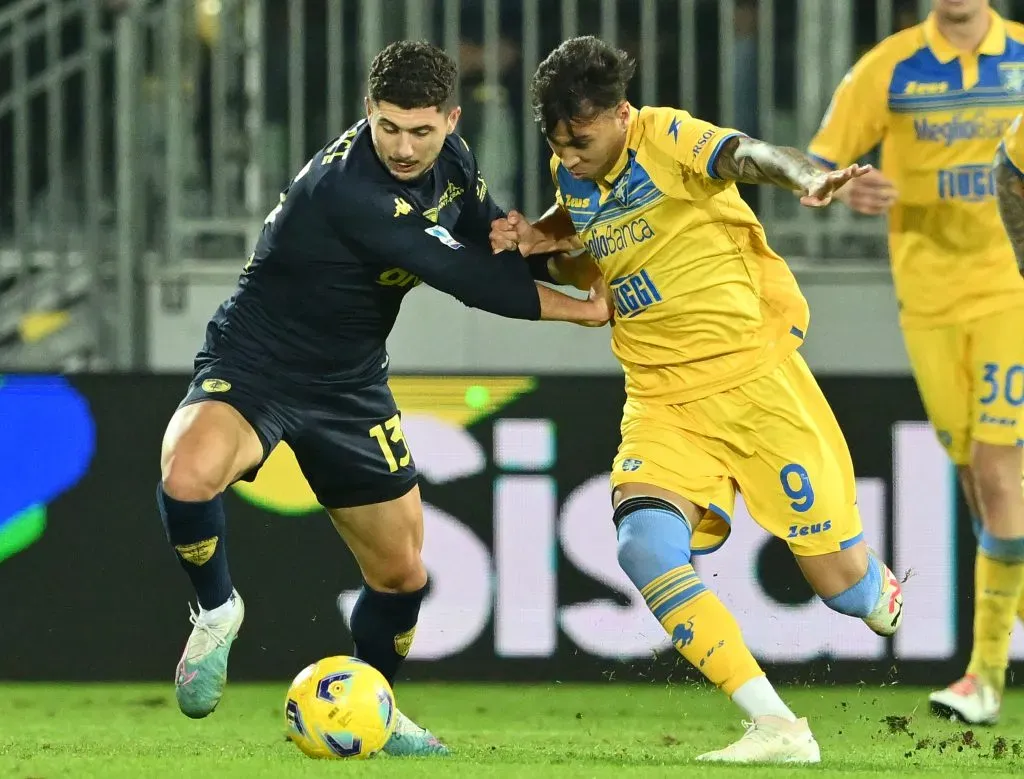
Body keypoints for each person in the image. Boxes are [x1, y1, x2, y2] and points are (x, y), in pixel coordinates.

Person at [156, 40, 611, 757]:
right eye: (388, 126)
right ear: (368, 110)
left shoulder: (453, 162)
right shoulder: (347, 189)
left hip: (349, 385)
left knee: (401, 575)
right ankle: (216, 609)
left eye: (420, 131)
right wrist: (581, 309)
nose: (402, 147)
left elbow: (484, 243)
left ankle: (377, 709)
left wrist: (541, 242)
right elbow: (465, 278)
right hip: (256, 364)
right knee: (186, 473)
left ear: (451, 121)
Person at [490, 35, 905, 765]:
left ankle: (875, 584)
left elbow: (747, 154)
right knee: (642, 545)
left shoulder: (666, 137)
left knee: (845, 592)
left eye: (582, 141)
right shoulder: (572, 170)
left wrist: (807, 175)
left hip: (753, 383)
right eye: (558, 144)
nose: (571, 157)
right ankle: (777, 725)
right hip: (660, 396)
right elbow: (580, 220)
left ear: (621, 114)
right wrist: (536, 236)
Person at [808, 0, 1024, 725]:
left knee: (998, 468)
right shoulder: (891, 66)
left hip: (1011, 289)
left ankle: (984, 678)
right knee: (978, 482)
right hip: (927, 301)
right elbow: (818, 164)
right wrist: (845, 186)